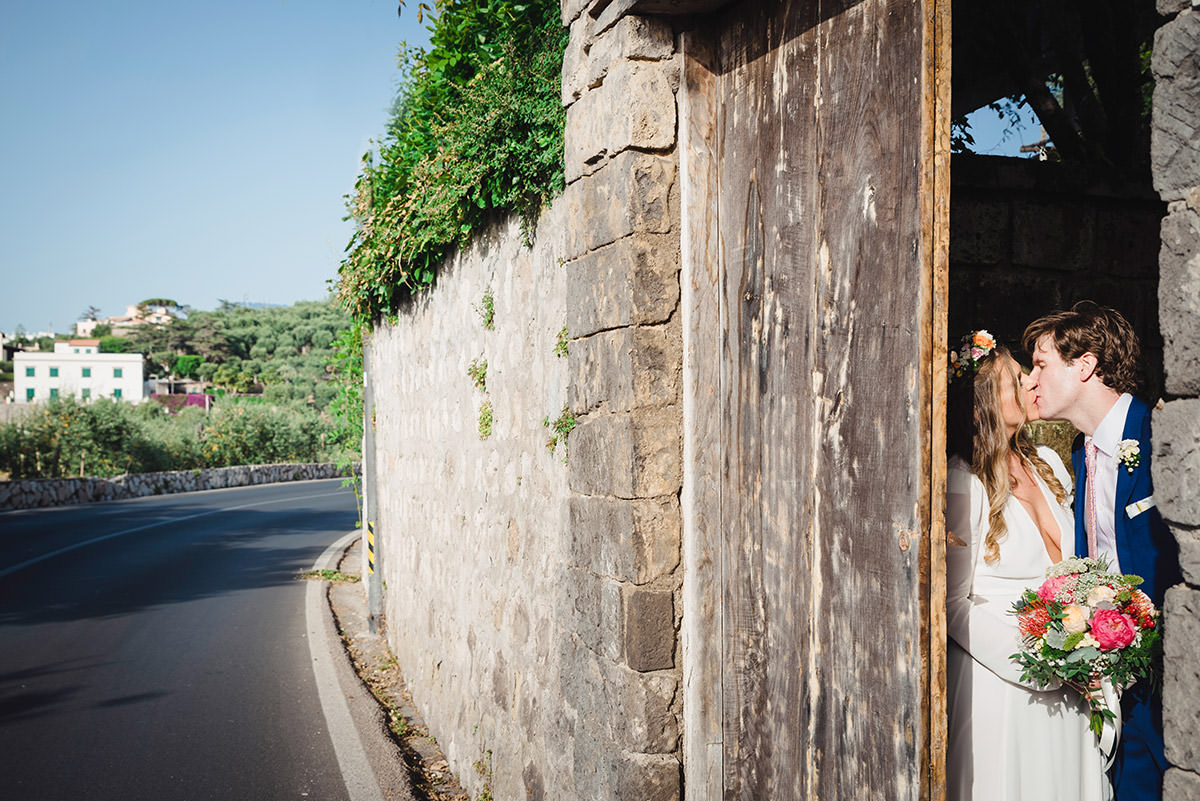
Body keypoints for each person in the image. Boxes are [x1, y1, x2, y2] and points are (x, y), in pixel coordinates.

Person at [1023, 301, 1181, 801]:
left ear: (1085, 365)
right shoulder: (1080, 452)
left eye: (1042, 364)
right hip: (1111, 668)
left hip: (1169, 671)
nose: (1031, 379)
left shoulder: (1159, 439)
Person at [946, 330, 1108, 801]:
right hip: (1004, 681)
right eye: (1019, 379)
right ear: (984, 404)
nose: (1034, 385)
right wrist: (1036, 662)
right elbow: (952, 604)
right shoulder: (964, 481)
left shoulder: (1051, 465)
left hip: (1072, 669)